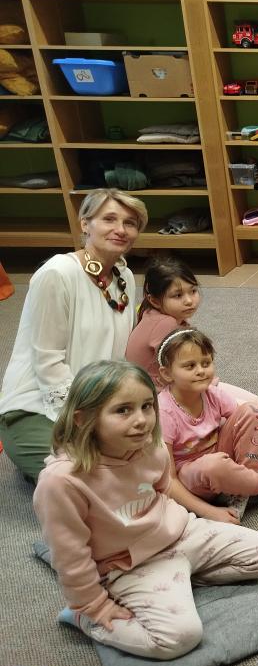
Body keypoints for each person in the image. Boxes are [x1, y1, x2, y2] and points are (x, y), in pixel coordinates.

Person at [32, 360, 258, 660]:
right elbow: (70, 556)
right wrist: (93, 606)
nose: (141, 420)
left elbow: (163, 491)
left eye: (147, 406)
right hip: (128, 565)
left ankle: (180, 580)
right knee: (179, 638)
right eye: (123, 410)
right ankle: (84, 620)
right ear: (83, 419)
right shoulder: (61, 482)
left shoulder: (153, 448)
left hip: (181, 534)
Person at [0, 189, 146, 481]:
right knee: (89, 480)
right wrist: (86, 423)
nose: (120, 229)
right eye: (109, 219)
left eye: (130, 223)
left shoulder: (124, 277)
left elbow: (120, 357)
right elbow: (47, 362)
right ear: (85, 224)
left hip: (100, 404)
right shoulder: (58, 273)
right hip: (37, 407)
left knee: (155, 458)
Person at [157, 329, 258, 522]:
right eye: (190, 366)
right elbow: (169, 480)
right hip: (194, 479)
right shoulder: (164, 412)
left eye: (206, 363)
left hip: (221, 461)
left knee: (252, 410)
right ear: (167, 374)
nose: (201, 370)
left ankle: (243, 489)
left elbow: (254, 423)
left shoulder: (211, 393)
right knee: (213, 464)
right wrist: (209, 512)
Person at [125, 256, 258, 408]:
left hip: (181, 384)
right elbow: (186, 370)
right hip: (162, 396)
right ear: (154, 301)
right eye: (178, 295)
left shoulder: (160, 315)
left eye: (193, 291)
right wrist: (211, 389)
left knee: (254, 403)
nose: (189, 301)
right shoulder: (165, 323)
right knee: (252, 408)